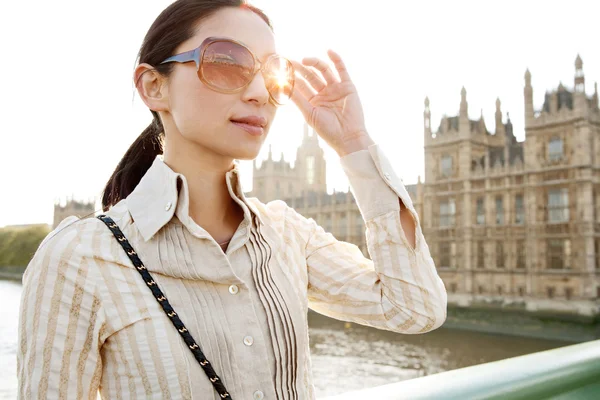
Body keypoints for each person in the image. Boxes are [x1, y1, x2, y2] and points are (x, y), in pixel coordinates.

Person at [17, 0, 447, 398]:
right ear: (154, 87)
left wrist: (354, 143)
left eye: (274, 73)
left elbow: (415, 307)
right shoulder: (80, 258)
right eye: (227, 62)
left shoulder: (287, 234)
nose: (260, 92)